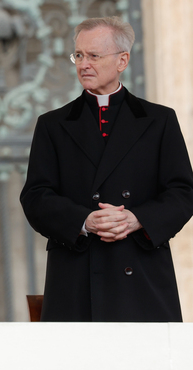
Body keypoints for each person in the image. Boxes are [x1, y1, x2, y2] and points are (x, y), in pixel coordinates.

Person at [20, 16, 193, 321]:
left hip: (142, 275)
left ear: (122, 60)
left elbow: (182, 192)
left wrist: (137, 219)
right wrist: (84, 220)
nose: (83, 64)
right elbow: (35, 196)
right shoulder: (52, 125)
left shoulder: (160, 120)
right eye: (79, 55)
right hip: (76, 277)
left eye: (94, 56)